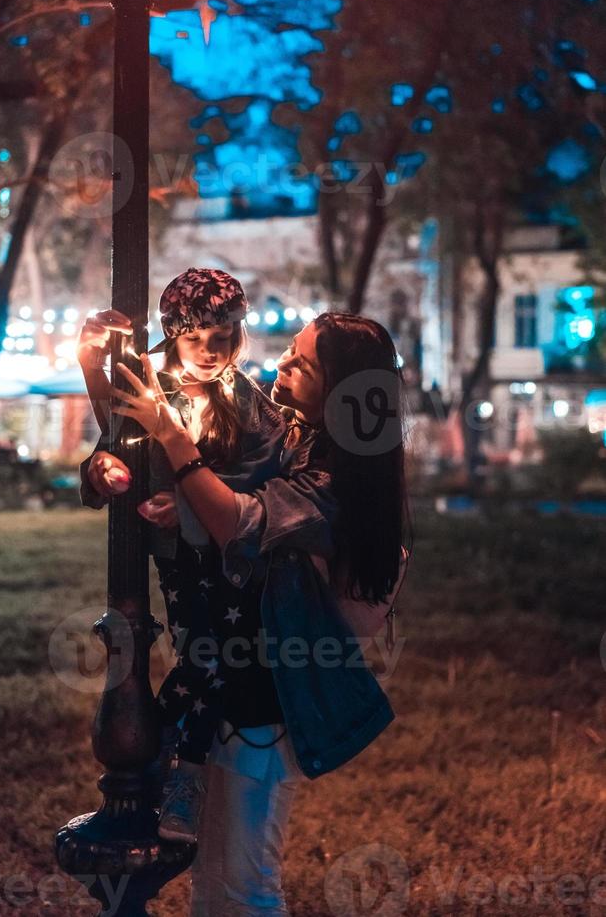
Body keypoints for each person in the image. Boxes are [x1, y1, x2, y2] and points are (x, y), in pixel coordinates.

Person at [110, 312, 411, 917]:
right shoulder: (294, 438)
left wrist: (171, 433)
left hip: (270, 705)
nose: (281, 365)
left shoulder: (336, 478)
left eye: (302, 364)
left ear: (341, 389)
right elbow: (226, 486)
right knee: (213, 881)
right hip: (232, 692)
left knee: (247, 885)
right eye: (288, 353)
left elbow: (239, 522)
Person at [77, 268, 287, 843]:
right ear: (173, 334)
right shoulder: (150, 388)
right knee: (203, 657)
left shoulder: (245, 399)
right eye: (196, 339)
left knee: (214, 658)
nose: (211, 353)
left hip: (234, 557)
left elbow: (264, 475)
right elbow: (110, 446)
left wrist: (193, 501)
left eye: (223, 339)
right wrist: (104, 471)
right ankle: (171, 767)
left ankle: (168, 761)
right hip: (177, 559)